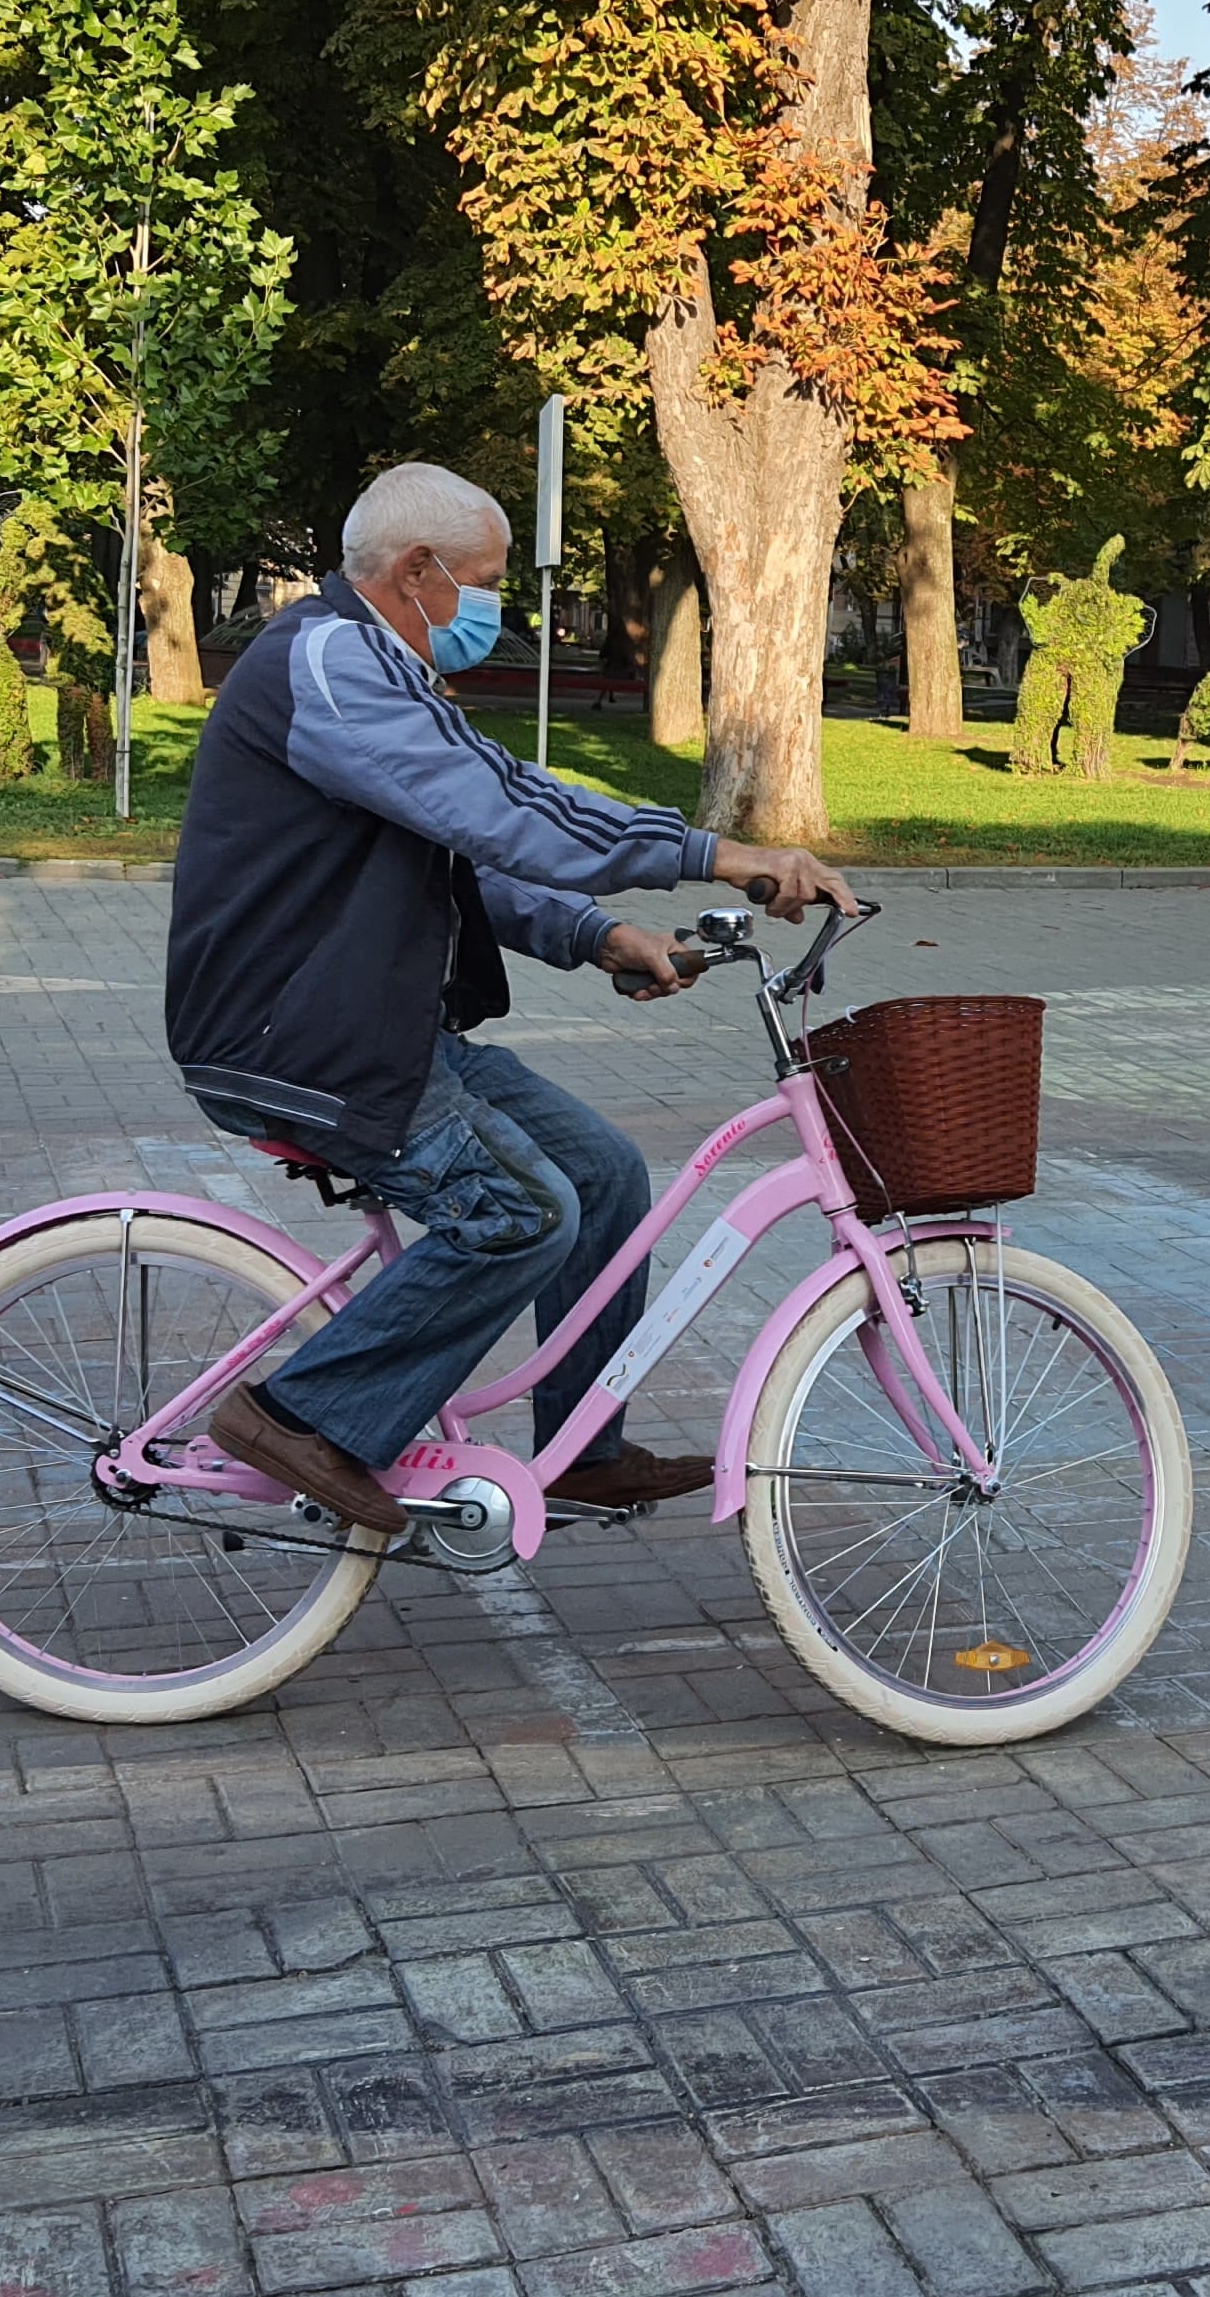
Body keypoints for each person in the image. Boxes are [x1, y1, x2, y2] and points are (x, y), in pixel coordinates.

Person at [166, 461, 853, 1536]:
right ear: (414, 571)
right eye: (481, 583)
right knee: (522, 1212)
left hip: (368, 1025)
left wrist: (598, 933)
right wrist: (715, 854)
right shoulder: (334, 663)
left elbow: (460, 856)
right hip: (294, 1037)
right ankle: (299, 1417)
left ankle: (583, 1451)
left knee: (603, 1174)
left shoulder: (377, 670)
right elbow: (503, 811)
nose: (494, 607)